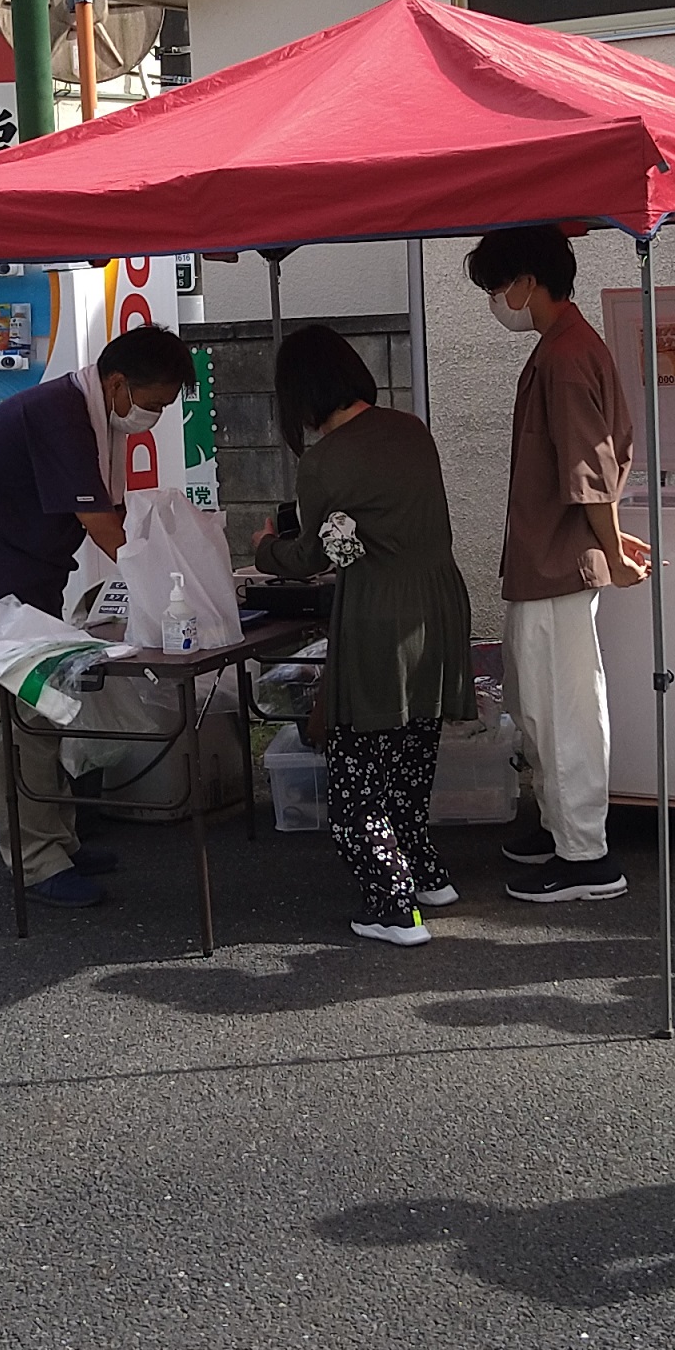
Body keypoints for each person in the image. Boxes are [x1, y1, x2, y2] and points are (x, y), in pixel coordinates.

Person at [0, 322, 196, 908]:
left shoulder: (89, 413)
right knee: (8, 730)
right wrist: (168, 588)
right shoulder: (61, 416)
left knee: (40, 716)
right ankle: (35, 862)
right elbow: (103, 526)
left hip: (26, 585)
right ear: (118, 383)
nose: (156, 417)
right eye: (154, 403)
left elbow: (116, 514)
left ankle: (58, 841)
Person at [254, 325, 475, 946]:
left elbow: (311, 556)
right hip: (439, 609)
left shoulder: (324, 460)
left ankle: (392, 907)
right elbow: (358, 535)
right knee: (410, 760)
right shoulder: (411, 429)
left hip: (378, 620)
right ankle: (427, 875)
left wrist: (265, 548)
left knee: (358, 774)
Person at [465, 224, 645, 904]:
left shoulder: (566, 356)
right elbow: (597, 465)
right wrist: (614, 542)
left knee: (560, 710)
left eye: (496, 287)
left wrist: (611, 546)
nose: (495, 301)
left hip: (559, 562)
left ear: (527, 284)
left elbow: (588, 468)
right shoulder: (566, 347)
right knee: (543, 704)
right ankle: (561, 828)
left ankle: (585, 855)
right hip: (555, 557)